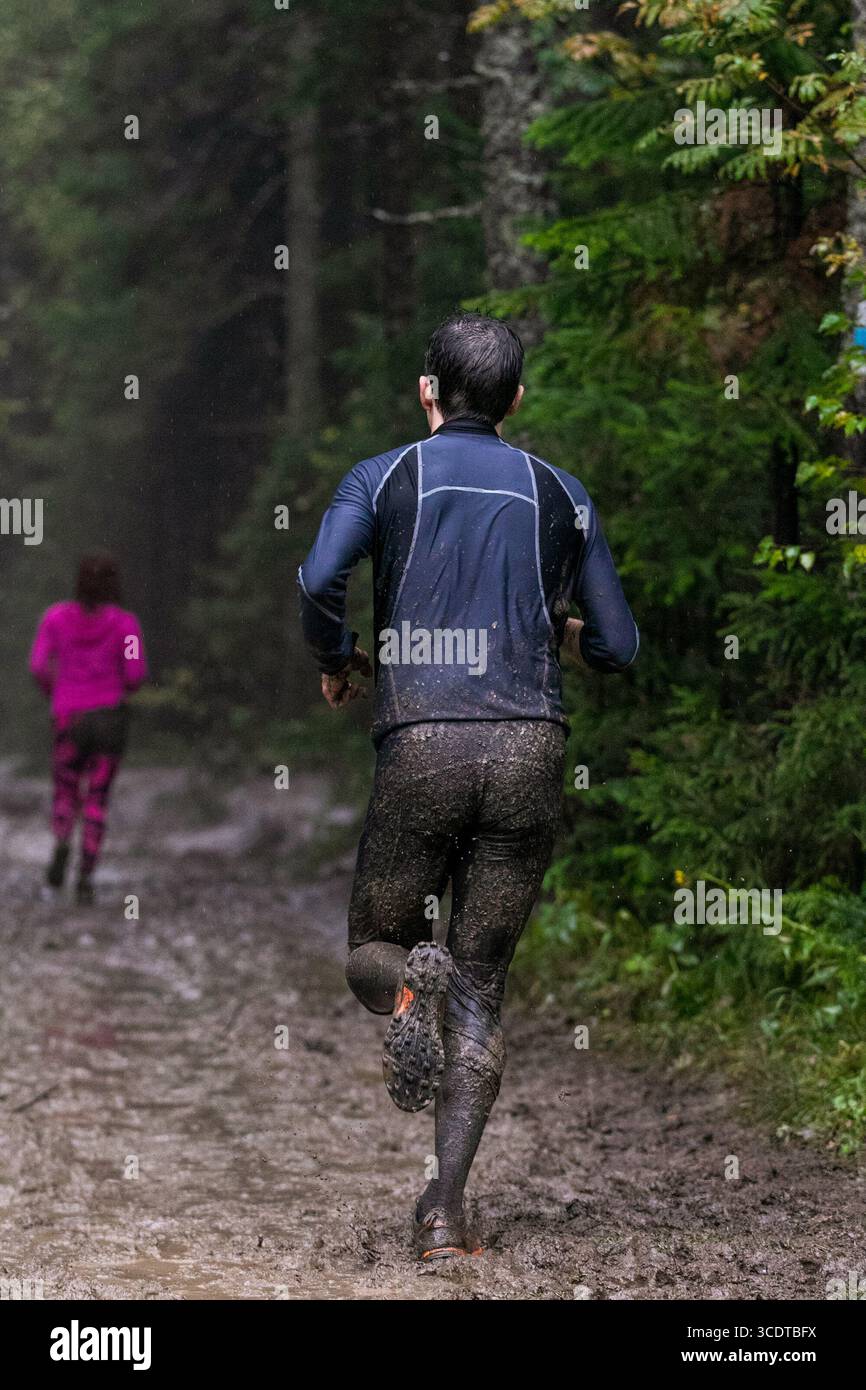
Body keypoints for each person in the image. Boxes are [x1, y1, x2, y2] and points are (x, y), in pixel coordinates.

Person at [298, 312, 638, 1260]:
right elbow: (619, 645)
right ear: (517, 399)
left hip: (423, 742)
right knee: (482, 984)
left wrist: (338, 658)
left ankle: (410, 991)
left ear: (426, 392)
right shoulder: (561, 493)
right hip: (530, 747)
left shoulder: (383, 477)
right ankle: (445, 1214)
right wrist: (557, 631)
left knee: (372, 947)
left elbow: (318, 578)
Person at [29, 552, 148, 904]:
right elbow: (136, 673)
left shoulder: (54, 618)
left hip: (69, 717)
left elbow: (38, 665)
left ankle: (62, 840)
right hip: (109, 719)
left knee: (66, 790)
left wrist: (57, 693)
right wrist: (116, 688)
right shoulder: (126, 625)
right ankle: (85, 875)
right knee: (98, 798)